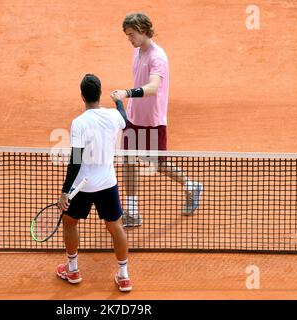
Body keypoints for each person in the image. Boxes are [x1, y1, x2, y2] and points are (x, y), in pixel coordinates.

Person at [112, 12, 203, 227]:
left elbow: (153, 88)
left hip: (153, 120)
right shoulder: (137, 51)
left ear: (143, 30)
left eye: (132, 35)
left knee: (157, 164)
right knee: (128, 160)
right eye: (127, 36)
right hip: (134, 117)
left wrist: (126, 93)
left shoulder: (157, 57)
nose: (130, 39)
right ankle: (132, 211)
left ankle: (191, 185)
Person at [56, 74, 132, 292]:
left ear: (82, 96)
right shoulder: (113, 116)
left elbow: (76, 161)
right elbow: (124, 119)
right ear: (99, 94)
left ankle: (72, 269)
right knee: (115, 226)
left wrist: (64, 191)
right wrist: (118, 100)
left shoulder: (79, 123)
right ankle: (124, 275)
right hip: (108, 183)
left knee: (70, 222)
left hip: (83, 186)